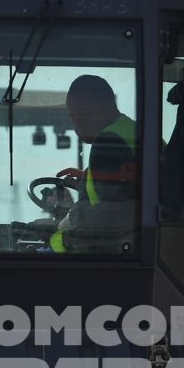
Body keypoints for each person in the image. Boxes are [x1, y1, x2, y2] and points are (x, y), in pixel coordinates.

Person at [49, 74, 138, 253]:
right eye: (72, 116)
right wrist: (89, 177)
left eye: (84, 113)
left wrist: (69, 221)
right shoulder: (132, 130)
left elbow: (114, 214)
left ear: (109, 104)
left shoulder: (109, 141)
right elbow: (130, 185)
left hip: (121, 255)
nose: (77, 124)